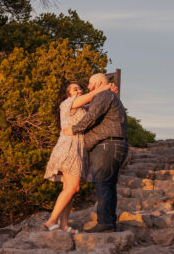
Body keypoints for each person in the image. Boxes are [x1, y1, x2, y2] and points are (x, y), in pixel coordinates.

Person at [42, 80, 114, 231]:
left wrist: (111, 93)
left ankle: (64, 224)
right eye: (75, 89)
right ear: (68, 94)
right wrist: (103, 88)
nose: (79, 91)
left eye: (79, 89)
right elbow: (92, 96)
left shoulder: (80, 108)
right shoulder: (68, 103)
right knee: (73, 188)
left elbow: (96, 105)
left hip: (78, 149)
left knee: (69, 187)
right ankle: (51, 220)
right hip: (70, 148)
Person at [71, 73, 128, 233]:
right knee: (109, 185)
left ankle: (104, 223)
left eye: (90, 84)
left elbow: (91, 117)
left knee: (102, 183)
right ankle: (109, 222)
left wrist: (73, 130)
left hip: (107, 145)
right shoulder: (110, 96)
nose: (88, 88)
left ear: (100, 83)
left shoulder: (104, 94)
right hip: (116, 145)